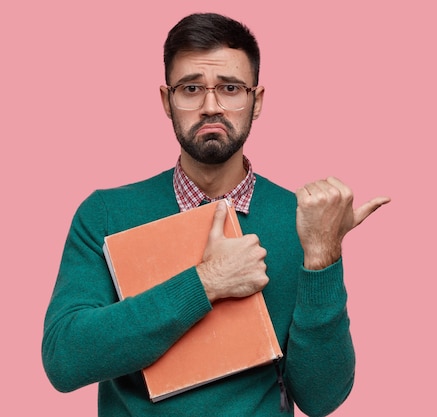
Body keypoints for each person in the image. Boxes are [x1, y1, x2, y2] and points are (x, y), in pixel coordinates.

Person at [42, 12, 390, 417]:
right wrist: (207, 282)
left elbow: (320, 397)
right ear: (166, 101)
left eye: (230, 88)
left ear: (255, 101)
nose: (211, 106)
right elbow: (65, 360)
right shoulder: (105, 214)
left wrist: (323, 256)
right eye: (191, 88)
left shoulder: (303, 221)